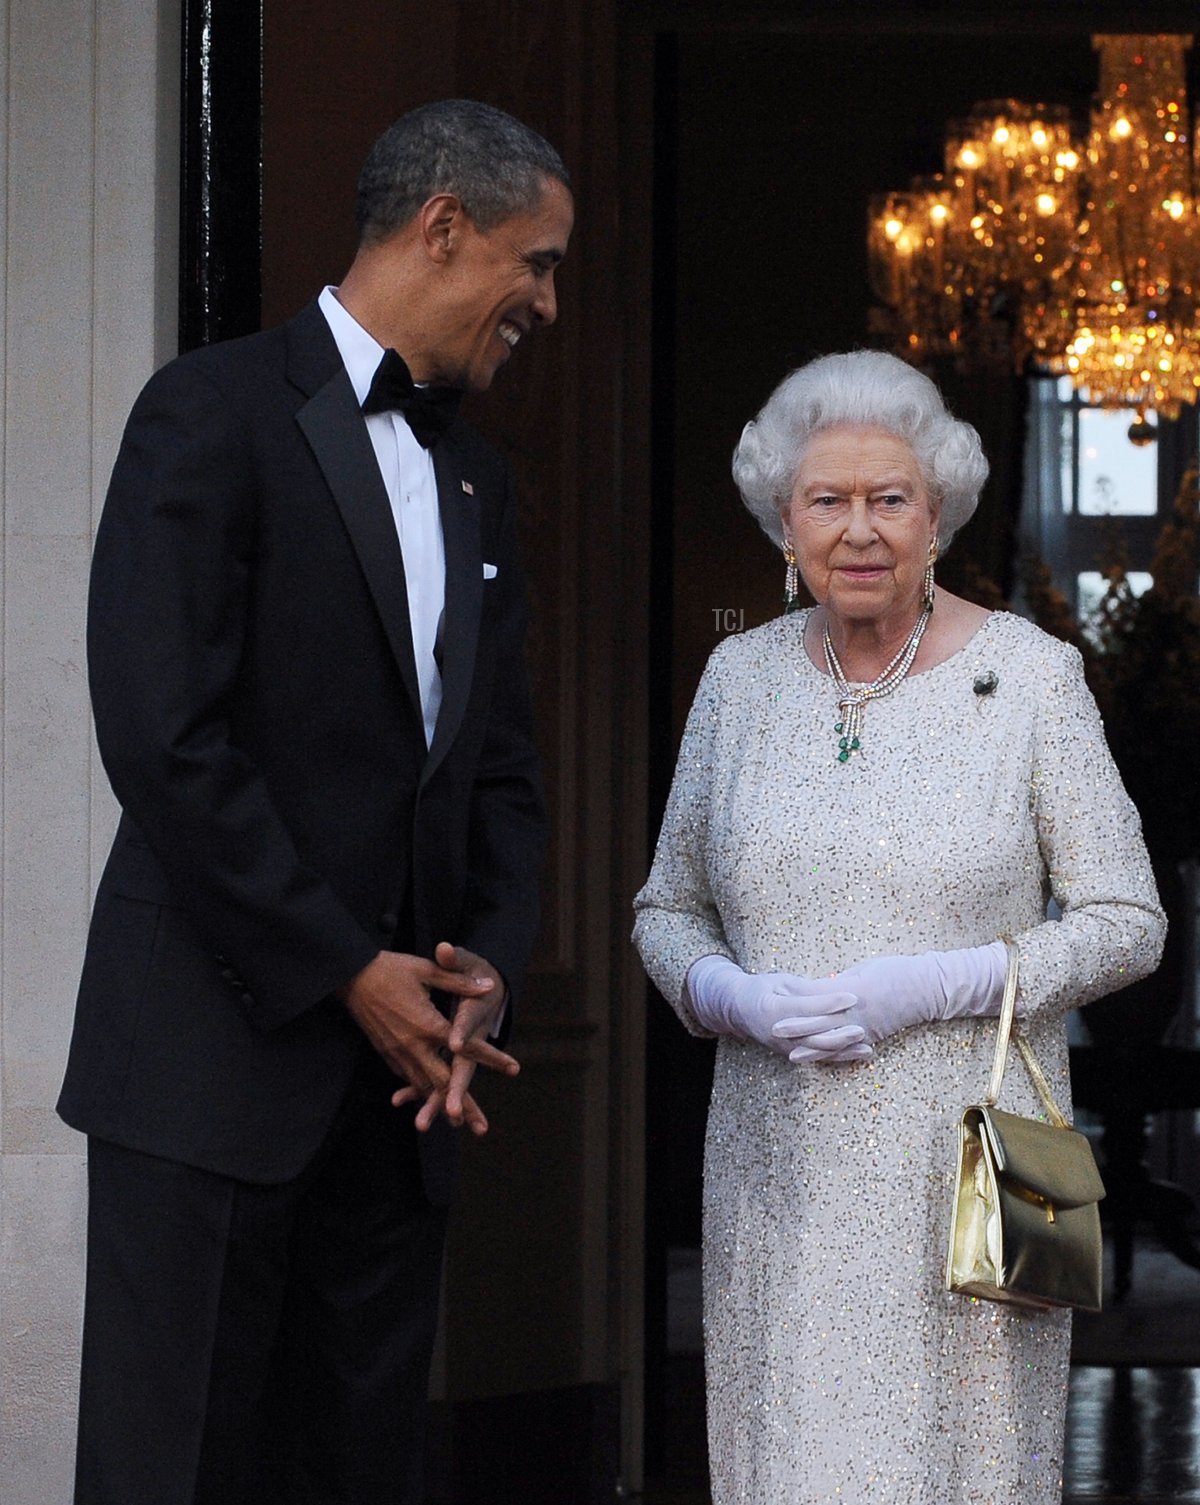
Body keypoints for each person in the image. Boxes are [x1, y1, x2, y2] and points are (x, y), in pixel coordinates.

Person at [58, 99, 572, 1505]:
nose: (546, 299)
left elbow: (507, 772)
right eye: (535, 261)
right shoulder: (208, 411)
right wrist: (347, 968)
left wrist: (484, 978)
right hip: (210, 1070)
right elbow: (163, 735)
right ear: (443, 227)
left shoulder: (479, 475)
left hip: (400, 1107)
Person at [633, 350, 1165, 1504]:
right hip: (779, 1169)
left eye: (891, 499)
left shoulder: (1032, 679)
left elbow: (1131, 919)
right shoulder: (737, 680)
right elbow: (666, 908)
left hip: (966, 1175)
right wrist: (730, 995)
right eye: (828, 500)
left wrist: (948, 979)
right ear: (785, 520)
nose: (859, 529)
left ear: (939, 516)